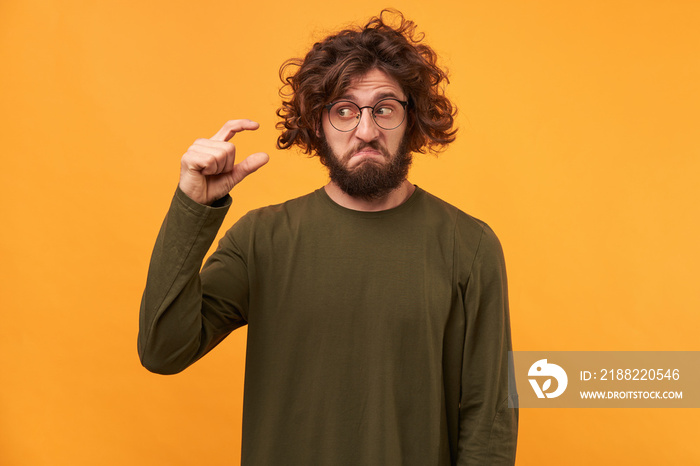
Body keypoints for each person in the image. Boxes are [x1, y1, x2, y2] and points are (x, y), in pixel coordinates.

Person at [138, 9, 518, 465]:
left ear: (412, 120)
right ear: (317, 124)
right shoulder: (261, 239)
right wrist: (192, 207)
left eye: (385, 109)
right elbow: (163, 350)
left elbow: (489, 420)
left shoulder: (470, 246)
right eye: (344, 111)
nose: (366, 130)